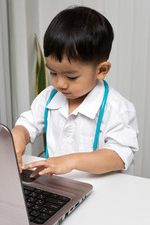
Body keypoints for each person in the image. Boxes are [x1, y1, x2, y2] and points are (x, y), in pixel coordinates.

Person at [11, 6, 139, 178]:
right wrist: (19, 133)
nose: (60, 84)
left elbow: (119, 156)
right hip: (59, 187)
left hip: (103, 191)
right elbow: (29, 124)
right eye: (53, 73)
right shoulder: (49, 97)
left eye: (71, 77)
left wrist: (71, 161)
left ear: (101, 70)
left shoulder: (117, 108)